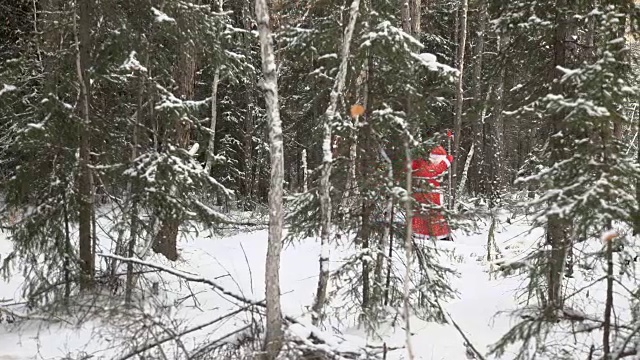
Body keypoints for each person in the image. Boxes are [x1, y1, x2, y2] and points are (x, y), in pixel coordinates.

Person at [412, 145, 454, 241]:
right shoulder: (434, 166)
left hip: (420, 194)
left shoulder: (421, 163)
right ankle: (437, 236)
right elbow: (437, 169)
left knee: (422, 215)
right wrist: (447, 160)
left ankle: (420, 233)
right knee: (434, 217)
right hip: (431, 195)